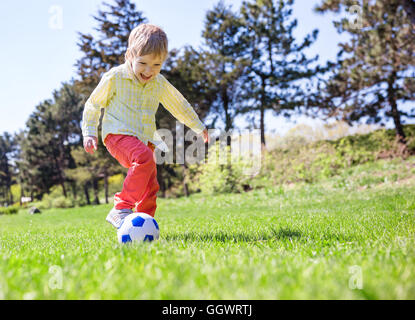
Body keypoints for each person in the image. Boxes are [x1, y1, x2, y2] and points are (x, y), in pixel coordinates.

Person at [81, 24, 208, 229]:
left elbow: (179, 104)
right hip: (117, 134)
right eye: (143, 63)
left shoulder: (159, 83)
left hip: (145, 139)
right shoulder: (115, 77)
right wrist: (89, 132)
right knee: (144, 158)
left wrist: (198, 125)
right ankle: (121, 208)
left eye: (156, 65)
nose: (149, 71)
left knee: (150, 187)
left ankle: (142, 227)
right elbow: (93, 103)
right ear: (129, 55)